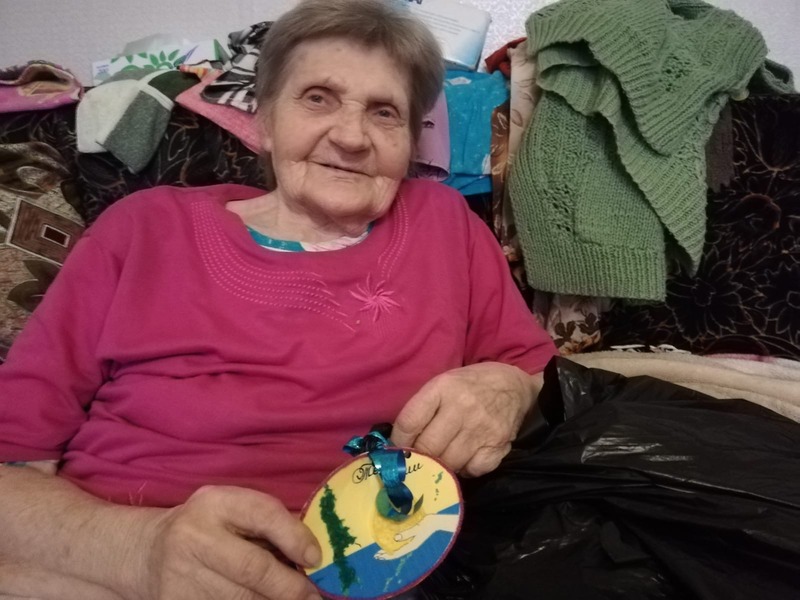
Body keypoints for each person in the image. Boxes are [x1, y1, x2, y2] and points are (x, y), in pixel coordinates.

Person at [0, 0, 556, 598]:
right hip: (115, 562)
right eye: (318, 98)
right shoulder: (145, 228)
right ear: (263, 120)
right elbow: (13, 462)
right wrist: (139, 549)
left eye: (384, 112)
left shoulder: (442, 223)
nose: (351, 136)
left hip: (380, 568)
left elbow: (530, 368)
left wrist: (504, 389)